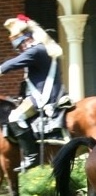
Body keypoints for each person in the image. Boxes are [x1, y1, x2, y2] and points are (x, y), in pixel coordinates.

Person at [1, 14, 63, 172]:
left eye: (21, 43)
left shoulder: (36, 51)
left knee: (14, 117)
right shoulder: (41, 50)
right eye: (18, 46)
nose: (20, 48)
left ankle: (31, 156)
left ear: (28, 38)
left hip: (43, 97)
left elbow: (11, 64)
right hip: (38, 94)